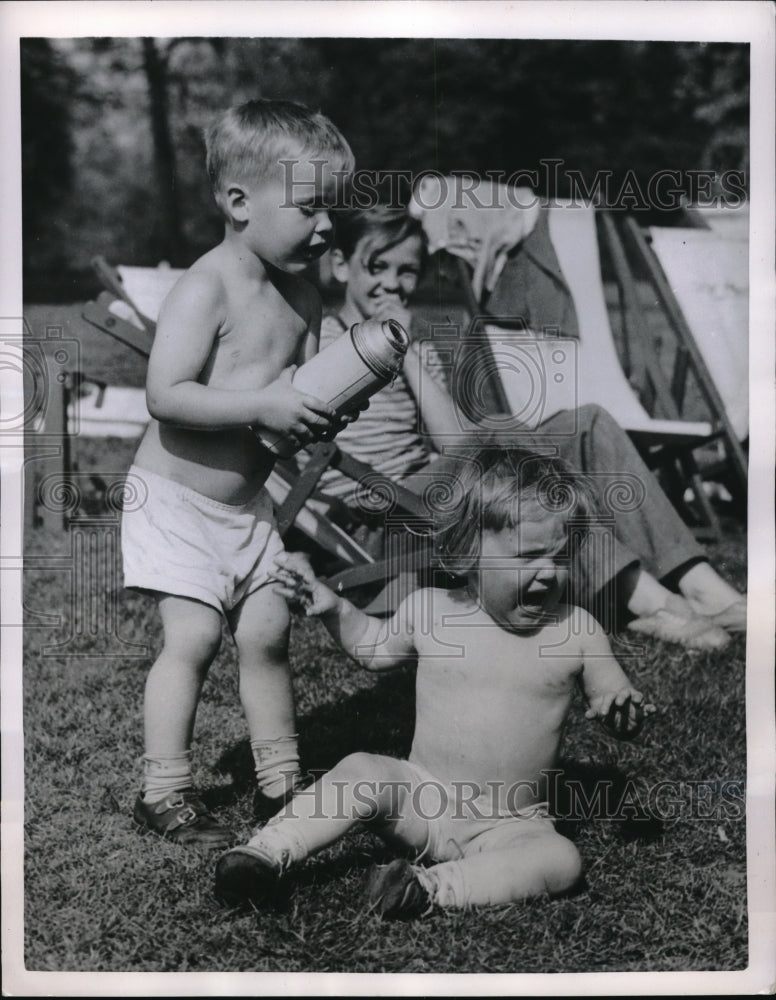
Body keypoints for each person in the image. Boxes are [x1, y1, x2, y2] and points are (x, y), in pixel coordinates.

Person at [214, 448, 656, 916]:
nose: (548, 572)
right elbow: (374, 648)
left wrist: (620, 712)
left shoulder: (577, 631)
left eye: (562, 557)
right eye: (529, 556)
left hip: (509, 823)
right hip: (423, 798)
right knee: (362, 770)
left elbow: (612, 699)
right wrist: (334, 608)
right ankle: (264, 853)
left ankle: (426, 889)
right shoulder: (432, 609)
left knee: (561, 859)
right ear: (467, 554)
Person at [312, 205, 746, 648]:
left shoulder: (416, 342)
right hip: (373, 517)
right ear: (342, 265)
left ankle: (704, 588)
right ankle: (648, 600)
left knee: (588, 422)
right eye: (377, 266)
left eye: (407, 271)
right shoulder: (320, 342)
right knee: (500, 429)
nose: (392, 283)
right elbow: (456, 445)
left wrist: (407, 353)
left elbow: (448, 442)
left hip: (429, 497)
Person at [121, 98, 355, 847]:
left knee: (267, 631)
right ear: (238, 202)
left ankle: (279, 781)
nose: (328, 228)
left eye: (333, 212)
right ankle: (162, 791)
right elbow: (166, 395)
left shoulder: (305, 294)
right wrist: (264, 402)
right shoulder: (207, 285)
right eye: (311, 210)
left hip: (249, 506)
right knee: (191, 639)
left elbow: (307, 391)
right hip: (176, 501)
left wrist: (326, 406)